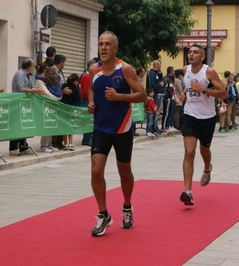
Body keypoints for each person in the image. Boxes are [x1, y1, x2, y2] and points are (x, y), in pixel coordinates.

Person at [88, 31, 146, 236]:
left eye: (107, 44)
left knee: (124, 170)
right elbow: (92, 90)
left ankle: (127, 207)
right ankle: (103, 215)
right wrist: (91, 103)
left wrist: (119, 96)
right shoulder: (95, 70)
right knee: (96, 171)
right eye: (101, 44)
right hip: (101, 127)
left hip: (122, 127)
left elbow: (142, 95)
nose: (103, 48)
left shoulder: (126, 69)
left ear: (115, 48)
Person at [178, 44, 227, 206]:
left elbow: (223, 93)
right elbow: (187, 88)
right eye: (190, 52)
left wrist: (204, 89)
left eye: (195, 52)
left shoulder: (209, 72)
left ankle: (207, 167)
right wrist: (184, 95)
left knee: (204, 150)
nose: (191, 55)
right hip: (190, 115)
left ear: (202, 56)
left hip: (207, 117)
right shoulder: (185, 70)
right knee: (189, 151)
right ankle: (187, 191)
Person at [9, 57, 42, 156]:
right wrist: (35, 91)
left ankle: (23, 146)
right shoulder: (20, 74)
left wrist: (35, 90)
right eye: (33, 65)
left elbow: (30, 87)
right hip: (18, 103)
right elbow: (21, 88)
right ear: (29, 66)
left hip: (26, 104)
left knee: (24, 124)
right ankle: (13, 147)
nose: (34, 67)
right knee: (16, 125)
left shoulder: (29, 75)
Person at [35, 63, 61, 153]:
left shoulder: (47, 80)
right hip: (44, 105)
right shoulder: (39, 80)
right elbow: (45, 92)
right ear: (44, 70)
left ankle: (49, 144)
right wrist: (55, 98)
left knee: (50, 124)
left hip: (50, 105)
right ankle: (44, 145)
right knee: (46, 125)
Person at [61, 73, 81, 151]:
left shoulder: (63, 86)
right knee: (70, 126)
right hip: (71, 109)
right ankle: (71, 143)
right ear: (75, 81)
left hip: (63, 108)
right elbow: (77, 101)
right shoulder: (76, 89)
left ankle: (65, 144)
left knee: (64, 126)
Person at [80, 59, 96, 146]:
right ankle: (86, 140)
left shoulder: (90, 75)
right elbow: (86, 90)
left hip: (88, 100)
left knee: (90, 121)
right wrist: (91, 100)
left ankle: (89, 138)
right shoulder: (86, 76)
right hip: (86, 101)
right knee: (87, 121)